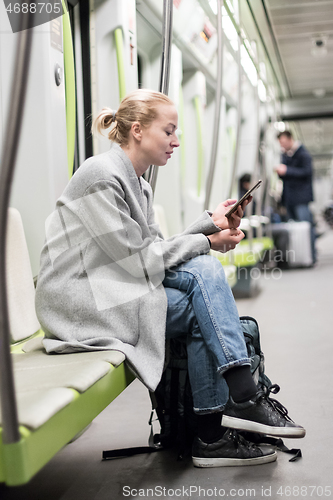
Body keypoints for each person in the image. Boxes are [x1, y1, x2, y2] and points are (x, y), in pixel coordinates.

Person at [35, 89, 305, 469]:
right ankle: (224, 419)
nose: (176, 141)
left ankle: (223, 421)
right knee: (202, 288)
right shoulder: (101, 176)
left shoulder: (139, 183)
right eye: (169, 131)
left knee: (201, 281)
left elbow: (155, 252)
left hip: (111, 289)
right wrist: (207, 241)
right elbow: (141, 262)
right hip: (78, 303)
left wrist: (209, 223)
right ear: (138, 130)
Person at [275, 130, 316, 263]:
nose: (282, 145)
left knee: (306, 228)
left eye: (283, 142)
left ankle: (310, 258)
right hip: (290, 199)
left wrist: (287, 170)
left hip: (301, 199)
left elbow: (307, 172)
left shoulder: (303, 154)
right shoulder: (286, 155)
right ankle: (298, 258)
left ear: (290, 139)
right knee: (294, 230)